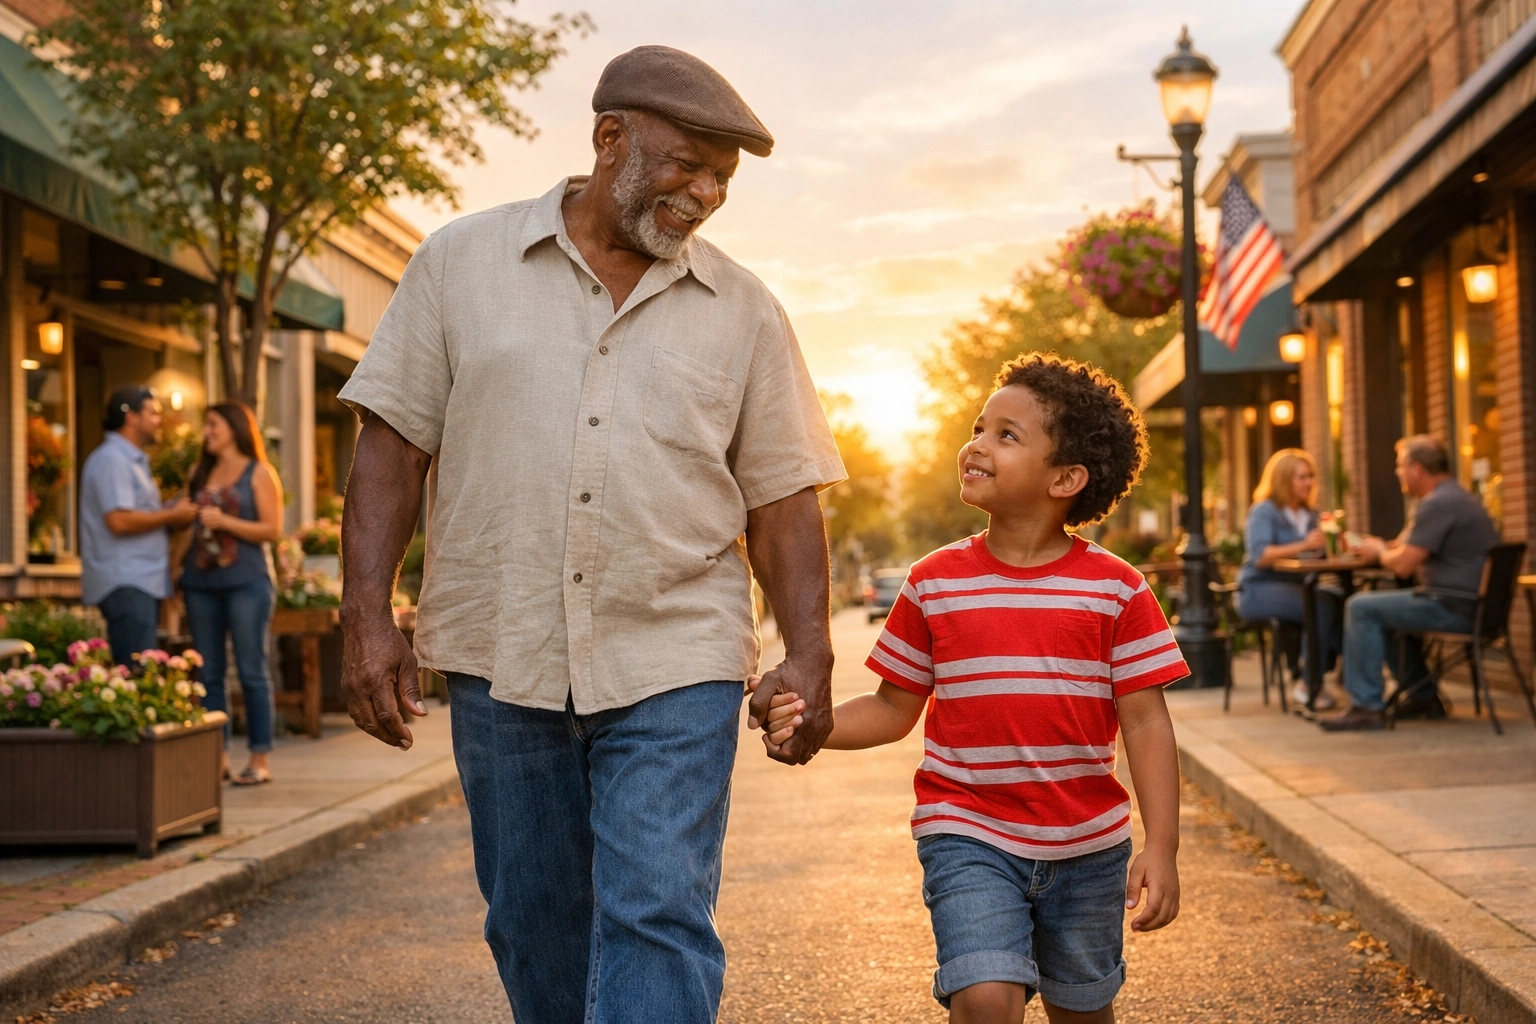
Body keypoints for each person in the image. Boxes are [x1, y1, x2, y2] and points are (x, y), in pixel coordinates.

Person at [336, 46, 845, 1023]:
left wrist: (810, 652)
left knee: (659, 908)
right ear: (610, 138)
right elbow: (393, 444)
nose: (702, 194)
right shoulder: (460, 262)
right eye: (686, 164)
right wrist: (367, 614)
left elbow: (783, 496)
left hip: (677, 649)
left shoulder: (744, 310)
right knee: (535, 920)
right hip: (501, 643)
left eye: (721, 180)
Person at [758, 354, 1185, 1024]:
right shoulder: (933, 584)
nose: (978, 443)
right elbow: (894, 709)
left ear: (1066, 478)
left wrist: (1162, 846)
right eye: (980, 427)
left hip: (1088, 848)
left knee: (1083, 1012)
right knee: (985, 996)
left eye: (1007, 436)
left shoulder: (1118, 591)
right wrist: (812, 726)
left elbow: (1147, 724)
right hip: (968, 832)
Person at [1320, 435, 1499, 731]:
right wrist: (1379, 545)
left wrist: (1379, 551)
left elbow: (1403, 565)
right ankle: (1422, 695)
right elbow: (1406, 547)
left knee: (1361, 607)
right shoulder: (1451, 497)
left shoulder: (1438, 504)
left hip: (1453, 605)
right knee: (1383, 608)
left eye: (1400, 466)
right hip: (1469, 604)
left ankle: (1366, 706)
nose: (1397, 473)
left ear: (1416, 469)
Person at [180, 402, 284, 784]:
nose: (206, 431)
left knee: (252, 671)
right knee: (208, 675)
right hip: (200, 584)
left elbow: (272, 530)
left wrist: (224, 520)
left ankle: (259, 759)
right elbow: (185, 526)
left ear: (235, 428)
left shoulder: (259, 473)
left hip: (248, 583)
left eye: (213, 425)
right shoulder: (198, 473)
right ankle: (217, 757)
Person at [79, 385, 198, 664]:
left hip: (139, 580)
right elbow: (119, 520)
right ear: (131, 417)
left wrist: (175, 511)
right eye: (153, 413)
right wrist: (171, 516)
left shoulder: (132, 461)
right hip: (126, 582)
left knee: (144, 671)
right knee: (136, 672)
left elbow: (137, 515)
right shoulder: (112, 460)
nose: (159, 420)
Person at [1234, 448, 1343, 709]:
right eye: (1302, 477)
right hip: (1258, 589)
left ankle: (1342, 678)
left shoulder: (1312, 514)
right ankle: (1309, 683)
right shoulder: (1265, 511)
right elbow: (1260, 555)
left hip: (1297, 587)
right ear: (1284, 480)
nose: (1309, 483)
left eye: (1311, 476)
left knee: (1341, 601)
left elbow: (1318, 554)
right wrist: (1304, 544)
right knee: (1322, 605)